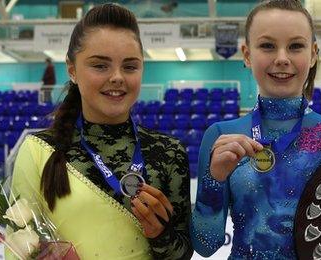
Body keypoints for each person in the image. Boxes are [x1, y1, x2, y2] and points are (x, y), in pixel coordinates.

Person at [10, 3, 192, 259]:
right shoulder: (39, 151)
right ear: (72, 69)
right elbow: (17, 247)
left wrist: (159, 235)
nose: (117, 77)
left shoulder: (169, 153)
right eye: (100, 65)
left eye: (130, 66)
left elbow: (183, 254)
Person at [190, 1, 321, 258]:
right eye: (267, 46)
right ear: (247, 54)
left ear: (314, 53)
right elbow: (206, 245)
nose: (282, 58)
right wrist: (213, 181)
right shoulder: (220, 136)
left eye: (295, 46)